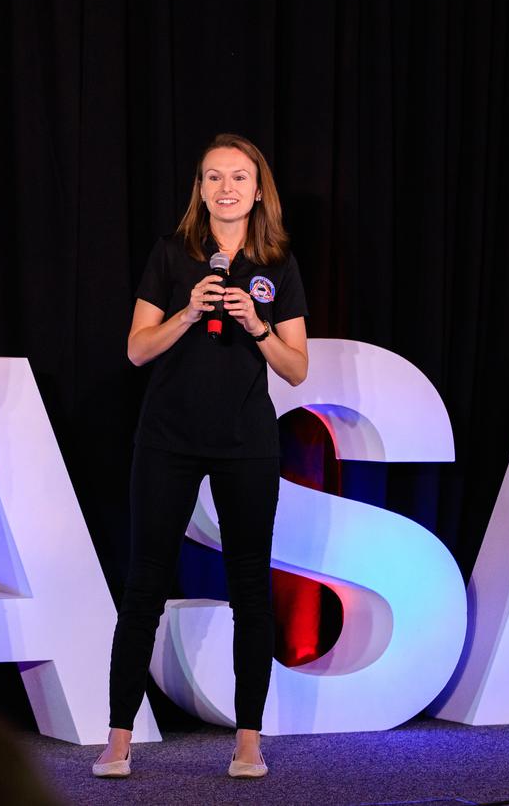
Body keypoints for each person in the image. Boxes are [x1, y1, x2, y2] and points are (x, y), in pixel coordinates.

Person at [93, 133, 309, 779]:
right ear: (201, 189)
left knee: (250, 587)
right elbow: (136, 349)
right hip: (168, 439)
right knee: (144, 585)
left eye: (238, 177)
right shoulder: (172, 254)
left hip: (246, 442)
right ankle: (118, 739)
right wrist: (188, 312)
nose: (226, 189)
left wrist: (258, 325)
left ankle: (248, 742)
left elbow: (297, 369)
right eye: (213, 177)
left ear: (258, 188)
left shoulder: (279, 263)